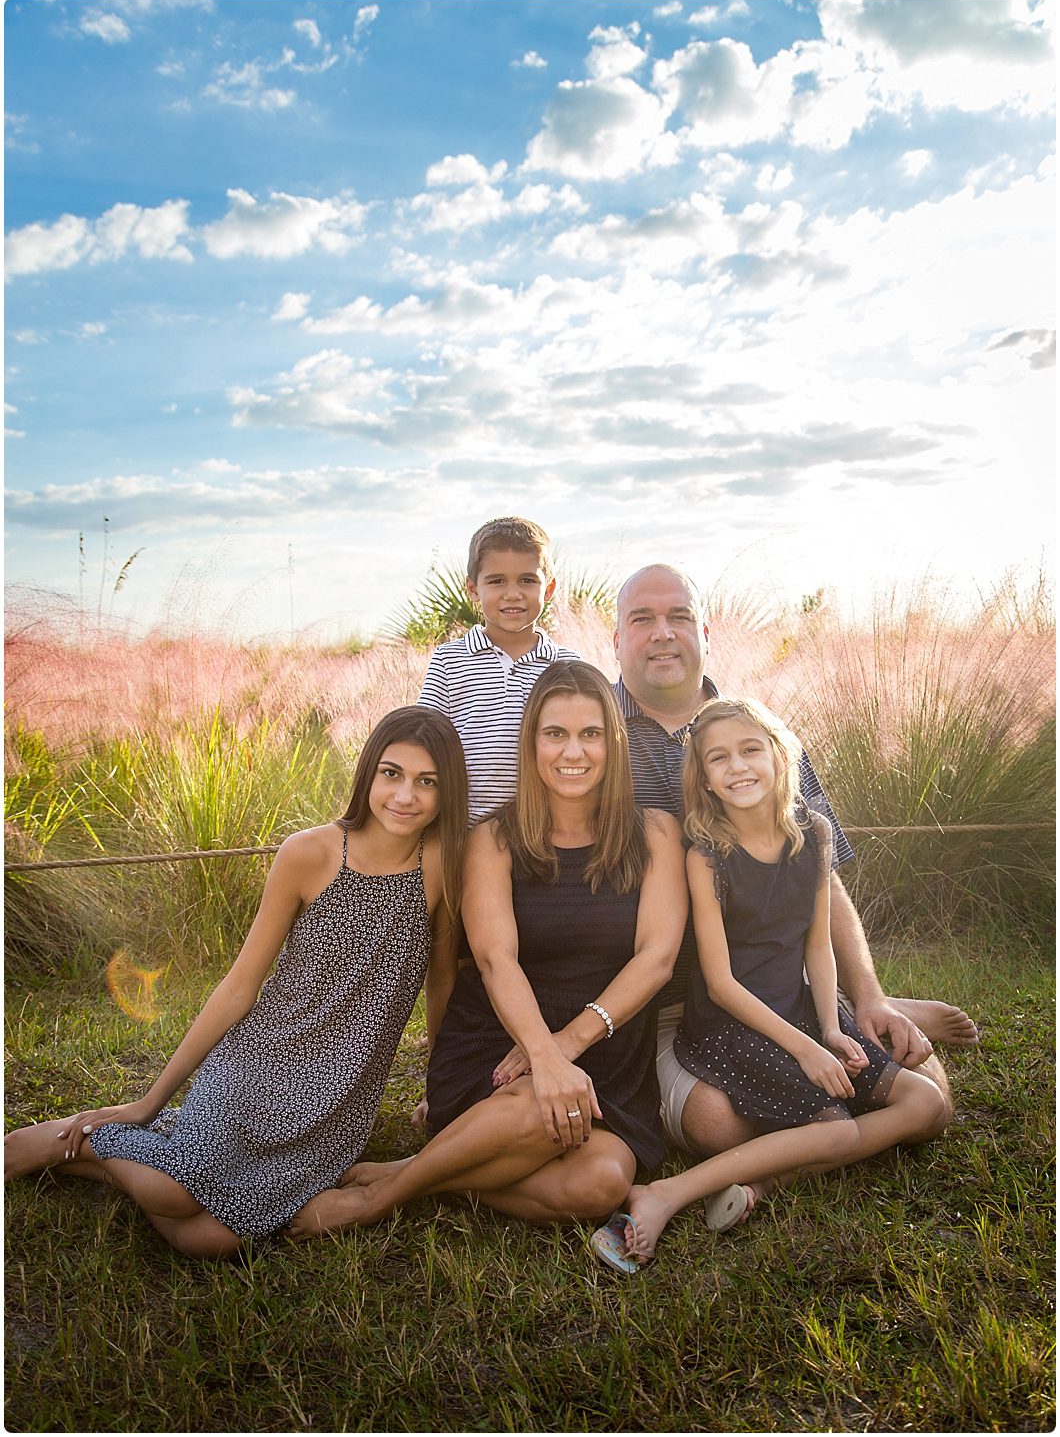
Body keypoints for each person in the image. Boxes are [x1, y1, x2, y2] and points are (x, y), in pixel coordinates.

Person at [4, 707, 469, 1259]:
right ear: (368, 771)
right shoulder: (310, 853)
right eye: (391, 773)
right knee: (173, 1194)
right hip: (260, 1059)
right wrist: (149, 1102)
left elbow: (442, 983)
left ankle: (104, 1156)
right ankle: (79, 1143)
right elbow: (240, 986)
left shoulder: (442, 863)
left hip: (342, 1093)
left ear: (447, 793)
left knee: (208, 1240)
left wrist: (438, 1091)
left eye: (427, 782)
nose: (405, 795)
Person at [288, 661, 696, 1238]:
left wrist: (561, 1049)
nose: (572, 751)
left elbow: (656, 958)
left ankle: (419, 1173)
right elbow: (494, 958)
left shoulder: (655, 833)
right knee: (535, 1108)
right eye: (554, 733)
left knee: (601, 1184)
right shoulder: (494, 838)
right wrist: (540, 1053)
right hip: (498, 1043)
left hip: (603, 1047)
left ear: (614, 741)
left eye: (590, 734)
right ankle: (379, 1200)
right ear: (531, 743)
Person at [612, 564, 976, 1163]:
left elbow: (817, 878)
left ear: (706, 630)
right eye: (642, 619)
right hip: (682, 1006)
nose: (663, 633)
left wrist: (870, 998)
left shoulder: (761, 733)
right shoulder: (594, 740)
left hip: (788, 983)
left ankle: (871, 1007)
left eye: (679, 617)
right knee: (717, 1126)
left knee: (931, 1100)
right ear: (617, 638)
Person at [593, 697, 948, 1270]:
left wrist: (831, 1029)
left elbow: (816, 945)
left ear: (780, 755)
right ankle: (665, 1194)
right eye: (719, 758)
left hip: (804, 1006)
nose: (738, 767)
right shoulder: (706, 856)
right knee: (834, 1131)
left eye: (751, 750)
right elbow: (722, 981)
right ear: (703, 778)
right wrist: (806, 1050)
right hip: (730, 1024)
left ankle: (768, 1180)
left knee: (926, 1103)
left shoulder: (815, 834)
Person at [418, 516, 579, 823]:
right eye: (496, 581)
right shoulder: (449, 661)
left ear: (549, 589)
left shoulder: (567, 665)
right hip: (464, 828)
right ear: (473, 589)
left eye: (527, 580)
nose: (513, 593)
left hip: (544, 830)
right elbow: (425, 741)